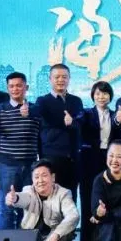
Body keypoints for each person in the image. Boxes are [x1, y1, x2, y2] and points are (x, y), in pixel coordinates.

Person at [0, 72, 40, 228]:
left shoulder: (35, 109)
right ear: (7, 88)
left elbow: (47, 127)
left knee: (29, 205)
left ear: (26, 87)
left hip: (30, 166)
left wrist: (31, 113)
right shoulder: (1, 108)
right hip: (7, 165)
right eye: (11, 86)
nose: (15, 89)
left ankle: (24, 239)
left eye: (19, 86)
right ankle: (6, 240)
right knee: (8, 205)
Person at [5, 159, 79, 241]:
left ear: (53, 177)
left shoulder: (63, 193)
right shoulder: (28, 190)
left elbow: (73, 216)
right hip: (32, 238)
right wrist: (15, 198)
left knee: (67, 232)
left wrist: (56, 234)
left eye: (44, 176)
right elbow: (23, 198)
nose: (40, 180)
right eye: (36, 177)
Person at [79, 81, 121, 241]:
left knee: (107, 198)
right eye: (97, 93)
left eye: (105, 93)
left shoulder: (115, 116)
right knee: (88, 197)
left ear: (110, 96)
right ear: (93, 96)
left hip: (109, 160)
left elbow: (119, 139)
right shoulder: (86, 113)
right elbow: (78, 123)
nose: (101, 97)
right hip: (89, 159)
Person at [34, 63, 83, 197]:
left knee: (71, 197)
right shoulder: (42, 101)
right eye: (57, 77)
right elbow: (35, 112)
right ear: (50, 79)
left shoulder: (76, 101)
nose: (61, 80)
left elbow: (81, 123)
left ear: (69, 79)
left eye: (64, 77)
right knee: (50, 198)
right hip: (51, 157)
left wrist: (72, 122)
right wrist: (26, 110)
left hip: (73, 158)